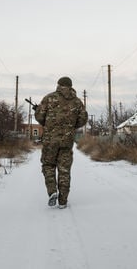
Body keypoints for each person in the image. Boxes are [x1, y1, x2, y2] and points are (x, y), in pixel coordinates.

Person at [34, 76, 88, 209]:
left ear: (58, 85)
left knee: (48, 165)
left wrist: (44, 119)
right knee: (64, 170)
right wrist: (71, 126)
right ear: (70, 86)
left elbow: (40, 117)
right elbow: (83, 119)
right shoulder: (77, 102)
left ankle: (52, 191)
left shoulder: (49, 98)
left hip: (50, 141)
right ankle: (63, 201)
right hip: (67, 141)